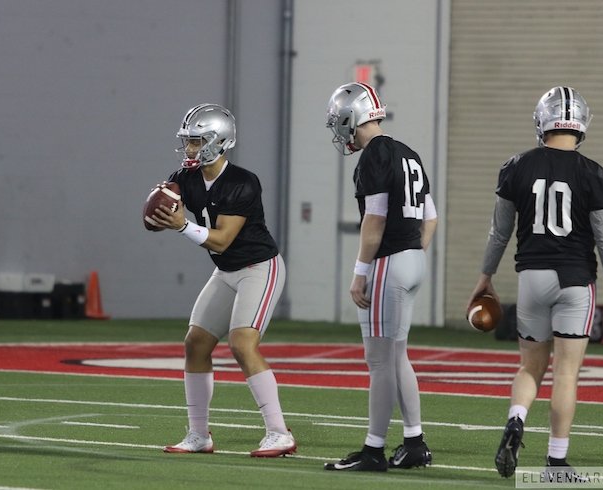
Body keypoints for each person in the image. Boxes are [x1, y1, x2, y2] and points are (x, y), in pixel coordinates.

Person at [467, 86, 603, 479]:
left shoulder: (516, 166)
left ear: (542, 121)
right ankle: (555, 461)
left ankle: (517, 419)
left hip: (531, 278)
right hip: (575, 281)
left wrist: (485, 276)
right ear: (582, 124)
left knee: (529, 367)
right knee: (566, 373)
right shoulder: (595, 174)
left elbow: (499, 233)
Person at [150, 103, 295, 457]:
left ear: (220, 141)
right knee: (195, 343)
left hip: (258, 267)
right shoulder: (184, 178)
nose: (190, 149)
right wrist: (156, 212)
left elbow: (220, 239)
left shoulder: (242, 182)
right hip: (226, 270)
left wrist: (182, 225)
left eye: (198, 142)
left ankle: (279, 432)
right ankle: (199, 434)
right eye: (188, 141)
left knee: (243, 344)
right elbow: (158, 219)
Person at [322, 83, 438, 472]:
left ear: (353, 119)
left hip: (389, 261)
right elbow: (431, 217)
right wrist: (412, 254)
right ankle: (414, 442)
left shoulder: (374, 156)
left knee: (379, 361)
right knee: (396, 355)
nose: (342, 133)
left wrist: (360, 272)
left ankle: (373, 450)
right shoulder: (409, 154)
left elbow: (375, 218)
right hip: (412, 259)